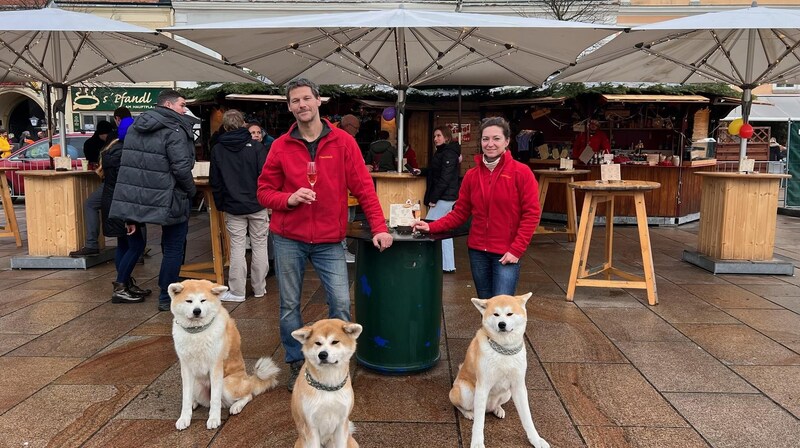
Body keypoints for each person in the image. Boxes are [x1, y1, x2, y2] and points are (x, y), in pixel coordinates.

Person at [257, 78, 392, 390]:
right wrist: (287, 199)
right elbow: (264, 192)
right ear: (289, 107)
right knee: (289, 305)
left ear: (319, 101)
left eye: (307, 98)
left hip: (330, 240)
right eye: (295, 101)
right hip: (288, 236)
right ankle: (295, 362)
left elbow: (364, 189)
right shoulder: (280, 146)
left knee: (341, 303)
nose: (302, 105)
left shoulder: (343, 142)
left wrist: (380, 227)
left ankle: (338, 362)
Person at [413, 117, 541, 299]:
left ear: (507, 140)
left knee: (501, 310)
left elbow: (531, 215)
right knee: (485, 308)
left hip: (506, 252)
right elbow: (459, 213)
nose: (490, 144)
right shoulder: (472, 176)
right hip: (478, 252)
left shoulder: (521, 173)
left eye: (496, 138)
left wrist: (517, 249)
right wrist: (431, 226)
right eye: (485, 139)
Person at [110, 89, 197, 312]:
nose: (184, 109)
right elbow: (181, 167)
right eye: (181, 104)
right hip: (172, 195)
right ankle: (166, 297)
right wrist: (191, 190)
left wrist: (129, 213)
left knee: (141, 244)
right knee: (173, 247)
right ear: (168, 105)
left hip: (138, 198)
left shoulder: (133, 129)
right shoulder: (174, 129)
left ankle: (125, 284)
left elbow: (128, 170)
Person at [210, 110, 270, 302]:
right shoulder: (257, 148)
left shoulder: (218, 149)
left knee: (237, 248)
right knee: (260, 245)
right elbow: (265, 177)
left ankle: (237, 291)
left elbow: (215, 181)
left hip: (233, 205)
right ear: (244, 124)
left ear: (225, 126)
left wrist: (221, 203)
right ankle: (260, 288)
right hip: (257, 204)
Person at [70, 108, 138, 261]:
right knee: (135, 216)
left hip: (111, 185)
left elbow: (107, 164)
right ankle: (135, 253)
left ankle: (92, 244)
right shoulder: (131, 139)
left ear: (117, 119)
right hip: (123, 186)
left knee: (90, 204)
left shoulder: (112, 143)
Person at [101, 117, 147, 304]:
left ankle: (126, 284)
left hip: (112, 203)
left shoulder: (113, 149)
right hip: (123, 205)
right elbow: (127, 186)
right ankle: (120, 286)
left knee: (123, 245)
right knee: (136, 246)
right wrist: (131, 218)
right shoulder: (125, 155)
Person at [424, 126, 461, 273]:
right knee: (443, 229)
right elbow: (436, 172)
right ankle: (447, 264)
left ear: (446, 137)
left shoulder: (449, 153)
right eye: (434, 136)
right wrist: (421, 171)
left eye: (438, 136)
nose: (435, 139)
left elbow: (445, 179)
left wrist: (433, 198)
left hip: (444, 197)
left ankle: (427, 261)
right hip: (446, 196)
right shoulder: (444, 152)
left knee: (429, 227)